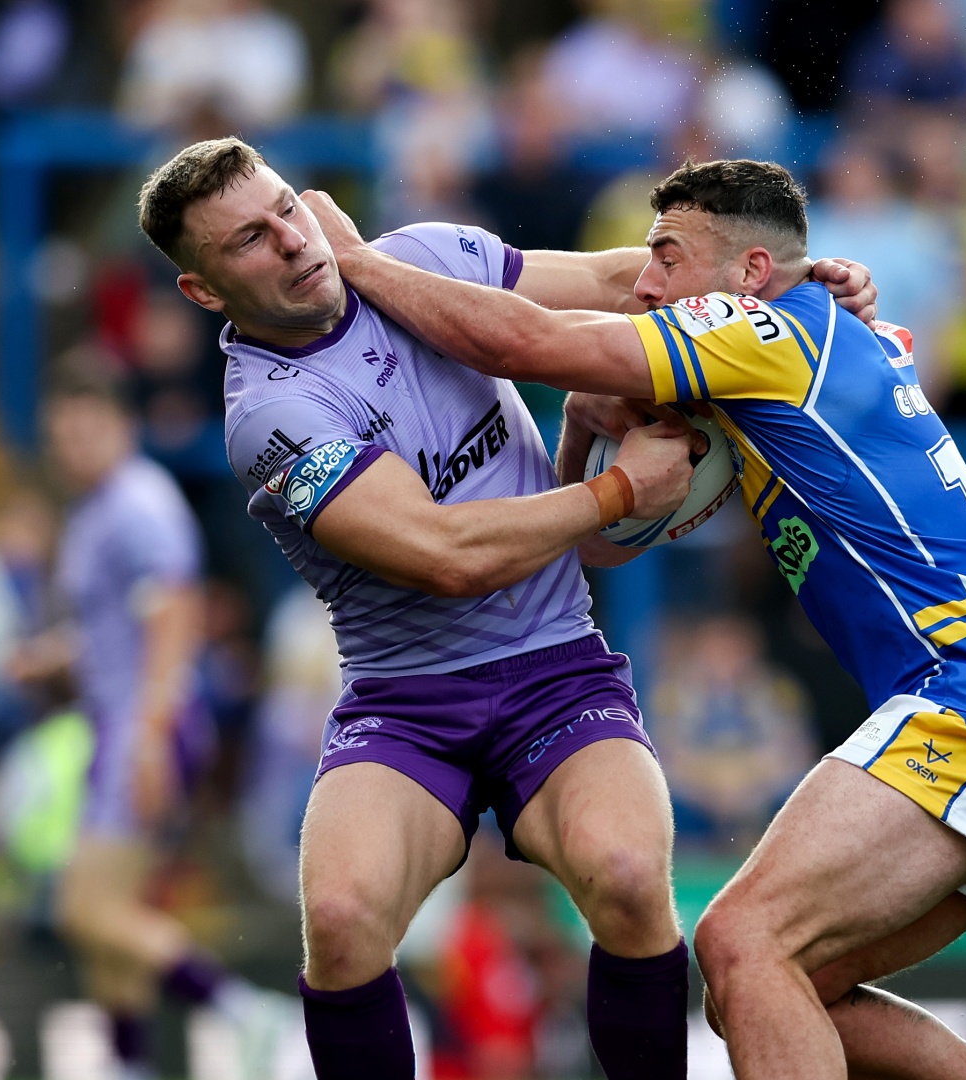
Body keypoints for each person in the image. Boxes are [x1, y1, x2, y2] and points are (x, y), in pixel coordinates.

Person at [300, 158, 966, 1080]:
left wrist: (354, 261)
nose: (646, 283)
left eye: (668, 258)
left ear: (749, 275)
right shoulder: (798, 346)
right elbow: (599, 544)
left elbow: (517, 342)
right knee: (776, 983)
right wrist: (581, 427)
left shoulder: (757, 336)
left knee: (741, 940)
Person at [135, 137, 876, 1080]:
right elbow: (445, 557)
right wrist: (618, 493)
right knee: (342, 918)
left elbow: (621, 280)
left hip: (556, 669)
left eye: (286, 207)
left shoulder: (425, 258)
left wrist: (798, 288)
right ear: (204, 292)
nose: (290, 241)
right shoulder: (268, 415)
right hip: (406, 704)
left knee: (631, 876)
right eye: (248, 239)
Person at [40, 375, 282, 1080]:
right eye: (62, 437)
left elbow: (174, 613)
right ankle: (129, 1065)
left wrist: (150, 735)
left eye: (84, 431)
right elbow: (114, 630)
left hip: (142, 726)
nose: (72, 448)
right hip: (117, 723)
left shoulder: (139, 503)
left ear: (120, 424)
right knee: (112, 916)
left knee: (83, 909)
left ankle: (242, 1011)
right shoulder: (94, 513)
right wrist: (56, 660)